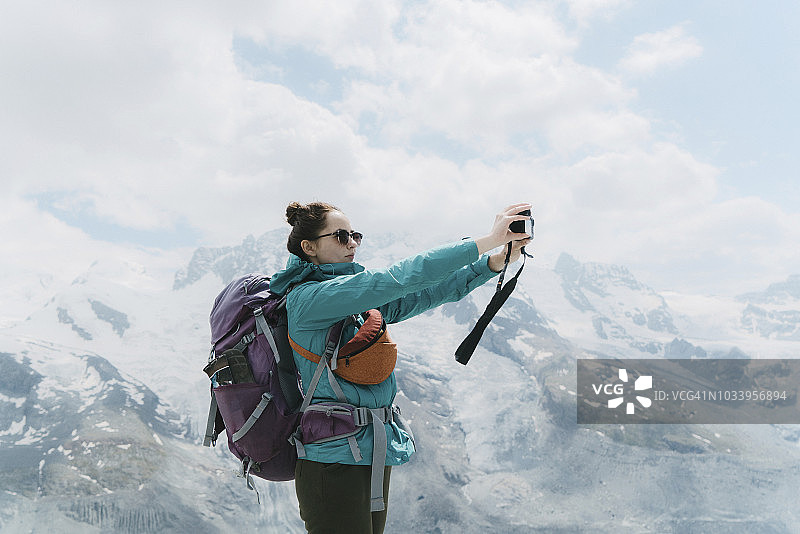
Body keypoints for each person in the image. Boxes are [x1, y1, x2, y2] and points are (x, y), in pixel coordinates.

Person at [269, 201, 532, 534]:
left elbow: (422, 295)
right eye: (340, 236)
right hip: (332, 462)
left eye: (354, 235)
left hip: (369, 451)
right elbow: (399, 278)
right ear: (309, 247)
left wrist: (491, 264)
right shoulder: (311, 299)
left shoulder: (351, 301)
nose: (352, 243)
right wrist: (486, 241)